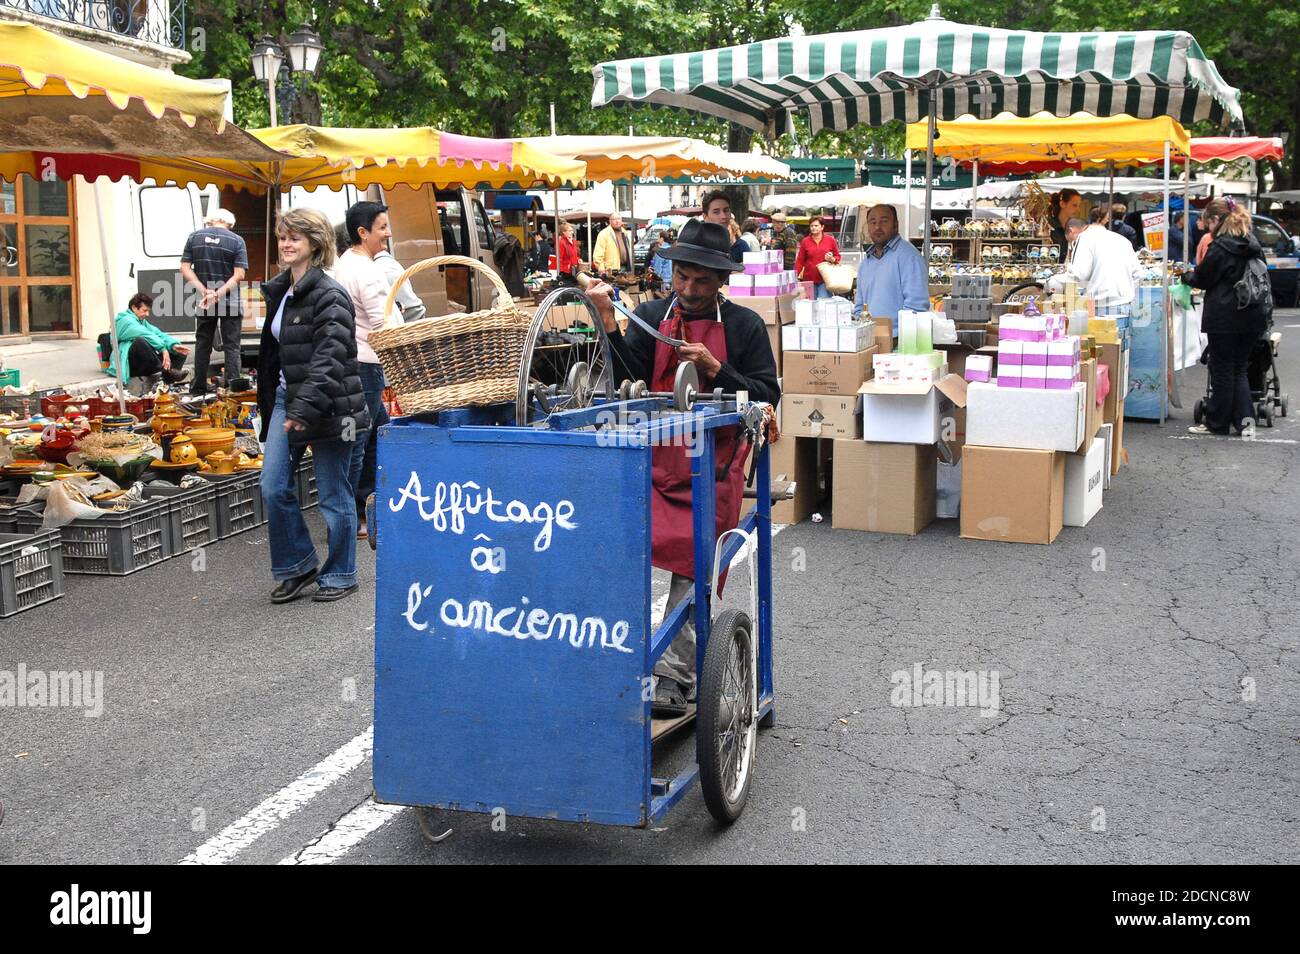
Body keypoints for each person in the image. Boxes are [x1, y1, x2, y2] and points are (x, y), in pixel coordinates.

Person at [585, 220, 780, 717]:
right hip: (651, 463)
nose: (689, 291)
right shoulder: (651, 314)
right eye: (682, 278)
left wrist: (716, 369)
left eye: (701, 282)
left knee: (693, 569)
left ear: (721, 281)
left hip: (711, 470)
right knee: (614, 553)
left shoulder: (743, 327)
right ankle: (611, 655)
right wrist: (608, 320)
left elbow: (767, 394)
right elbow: (625, 380)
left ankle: (675, 675)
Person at [257, 208, 370, 604]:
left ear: (316, 244)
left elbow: (330, 357)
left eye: (295, 238)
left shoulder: (330, 294)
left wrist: (302, 410)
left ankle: (340, 573)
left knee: (333, 495)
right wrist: (277, 403)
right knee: (272, 486)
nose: (285, 244)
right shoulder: (281, 290)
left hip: (334, 407)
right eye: (282, 237)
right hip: (290, 402)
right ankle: (297, 564)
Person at [1182, 198, 1272, 436]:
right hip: (1252, 313)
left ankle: (1217, 423)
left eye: (1207, 221)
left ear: (1215, 220)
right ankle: (1245, 423)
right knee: (1239, 368)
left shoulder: (1221, 247)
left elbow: (1203, 278)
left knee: (1222, 369)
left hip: (1224, 316)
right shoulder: (1252, 242)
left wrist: (1187, 276)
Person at [332, 201, 394, 539]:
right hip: (367, 363)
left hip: (352, 361)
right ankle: (354, 515)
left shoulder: (343, 264)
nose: (387, 233)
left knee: (376, 432)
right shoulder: (367, 270)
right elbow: (382, 322)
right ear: (362, 232)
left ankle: (368, 506)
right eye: (382, 227)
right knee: (361, 439)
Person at [180, 208, 248, 396]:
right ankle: (233, 390)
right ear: (230, 224)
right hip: (230, 302)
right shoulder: (237, 241)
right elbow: (239, 274)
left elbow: (185, 268)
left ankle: (198, 388)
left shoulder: (194, 237)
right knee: (232, 347)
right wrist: (218, 294)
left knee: (203, 344)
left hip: (204, 301)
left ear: (210, 221)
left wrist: (205, 292)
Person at [852, 204, 928, 334]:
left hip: (899, 341)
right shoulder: (866, 263)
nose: (877, 227)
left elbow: (916, 307)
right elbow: (860, 307)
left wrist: (895, 338)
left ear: (896, 225)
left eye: (884, 221)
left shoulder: (909, 257)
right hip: (870, 340)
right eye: (873, 222)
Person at [1047, 209, 1140, 315]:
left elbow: (1079, 274)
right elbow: (1138, 274)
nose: (1072, 246)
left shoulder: (1085, 238)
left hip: (1099, 306)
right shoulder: (1122, 240)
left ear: (1071, 231)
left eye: (1071, 242)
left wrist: (1052, 281)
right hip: (1125, 305)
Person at [106, 292, 190, 386]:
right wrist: (163, 348)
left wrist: (173, 345)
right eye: (144, 310)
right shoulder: (125, 321)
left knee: (180, 352)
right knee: (140, 342)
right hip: (128, 364)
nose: (147, 314)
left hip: (144, 363)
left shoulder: (142, 321)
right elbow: (145, 334)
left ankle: (168, 379)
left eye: (148, 311)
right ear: (134, 308)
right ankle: (169, 372)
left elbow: (157, 334)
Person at [794, 215, 842, 299]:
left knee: (823, 304)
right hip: (809, 279)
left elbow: (838, 257)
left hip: (825, 279)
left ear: (822, 227)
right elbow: (800, 261)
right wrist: (794, 276)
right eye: (811, 226)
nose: (813, 228)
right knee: (811, 305)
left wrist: (832, 259)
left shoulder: (830, 240)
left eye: (816, 226)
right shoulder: (805, 241)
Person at [700, 190, 749, 263]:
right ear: (705, 216)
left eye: (726, 210)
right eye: (716, 212)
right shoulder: (697, 244)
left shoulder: (740, 245)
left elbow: (752, 269)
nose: (723, 216)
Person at [1048, 189, 1083, 259]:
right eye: (1074, 205)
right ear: (1062, 204)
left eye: (1079, 206)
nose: (1078, 210)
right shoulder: (1048, 226)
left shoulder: (1078, 229)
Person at [556, 220, 581, 285]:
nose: (572, 232)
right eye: (569, 231)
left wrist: (578, 259)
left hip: (573, 269)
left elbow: (574, 255)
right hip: (566, 271)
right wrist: (561, 271)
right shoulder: (561, 242)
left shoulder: (573, 241)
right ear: (564, 232)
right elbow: (560, 258)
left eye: (572, 230)